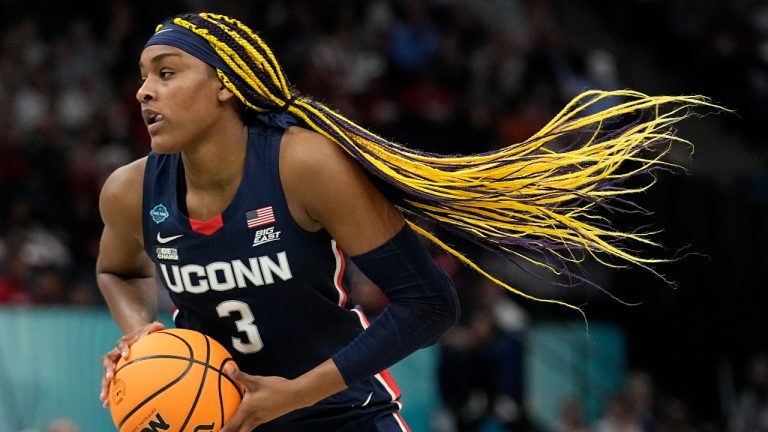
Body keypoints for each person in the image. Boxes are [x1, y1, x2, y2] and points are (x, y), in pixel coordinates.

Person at [96, 12, 717, 432]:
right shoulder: (129, 191)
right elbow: (116, 271)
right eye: (143, 77)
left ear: (227, 85)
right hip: (223, 421)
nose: (144, 92)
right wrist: (140, 337)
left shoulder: (303, 165)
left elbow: (429, 303)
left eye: (166, 74)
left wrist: (298, 392)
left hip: (340, 415)